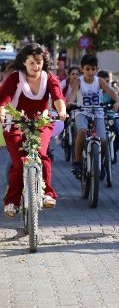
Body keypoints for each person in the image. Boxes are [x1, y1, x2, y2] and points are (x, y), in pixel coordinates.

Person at [0, 43, 67, 217]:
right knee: (19, 161)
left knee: (42, 155)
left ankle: (47, 194)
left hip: (41, 123)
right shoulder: (15, 78)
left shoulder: (49, 78)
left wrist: (62, 111)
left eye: (39, 62)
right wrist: (1, 113)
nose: (36, 66)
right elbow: (4, 100)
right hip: (14, 122)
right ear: (23, 62)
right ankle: (12, 201)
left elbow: (58, 97)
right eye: (32, 63)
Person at [66, 55, 119, 177]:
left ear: (97, 69)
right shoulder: (78, 81)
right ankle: (77, 162)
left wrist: (118, 101)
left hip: (98, 112)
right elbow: (73, 93)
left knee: (103, 140)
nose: (90, 72)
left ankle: (100, 163)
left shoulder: (99, 81)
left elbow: (111, 91)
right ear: (82, 69)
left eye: (93, 69)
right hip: (82, 112)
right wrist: (70, 102)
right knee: (82, 131)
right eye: (87, 69)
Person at [97, 70, 119, 164]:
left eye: (107, 81)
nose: (106, 84)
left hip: (110, 117)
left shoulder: (111, 91)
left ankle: (114, 151)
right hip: (97, 117)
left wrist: (117, 104)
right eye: (103, 82)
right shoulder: (95, 91)